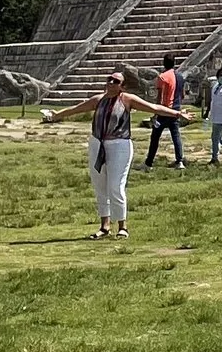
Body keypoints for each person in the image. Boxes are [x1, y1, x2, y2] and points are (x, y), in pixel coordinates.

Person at [41, 65, 187, 238]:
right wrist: (56, 115)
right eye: (109, 79)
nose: (110, 83)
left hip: (119, 145)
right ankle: (104, 226)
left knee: (115, 186)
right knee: (100, 185)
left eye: (115, 81)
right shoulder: (98, 99)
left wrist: (177, 114)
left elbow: (154, 108)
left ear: (122, 86)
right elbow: (75, 109)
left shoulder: (127, 99)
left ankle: (122, 226)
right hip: (97, 143)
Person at [143, 60, 188, 169]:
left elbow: (160, 96)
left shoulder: (162, 77)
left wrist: (156, 112)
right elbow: (182, 95)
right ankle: (179, 161)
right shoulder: (180, 77)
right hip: (176, 110)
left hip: (164, 111)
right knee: (176, 136)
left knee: (155, 137)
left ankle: (149, 162)